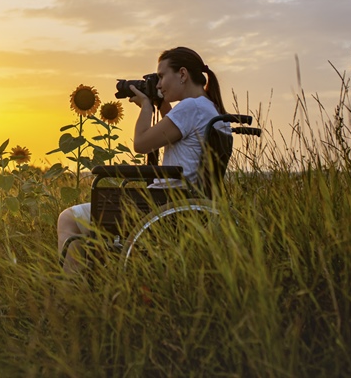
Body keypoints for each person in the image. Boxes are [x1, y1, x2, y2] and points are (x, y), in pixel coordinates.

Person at [56, 46, 228, 272]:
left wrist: (146, 107)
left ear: (183, 74)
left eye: (162, 76)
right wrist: (162, 106)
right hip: (187, 202)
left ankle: (71, 292)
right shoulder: (208, 109)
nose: (158, 85)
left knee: (68, 219)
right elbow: (178, 132)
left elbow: (141, 144)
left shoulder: (190, 107)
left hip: (162, 204)